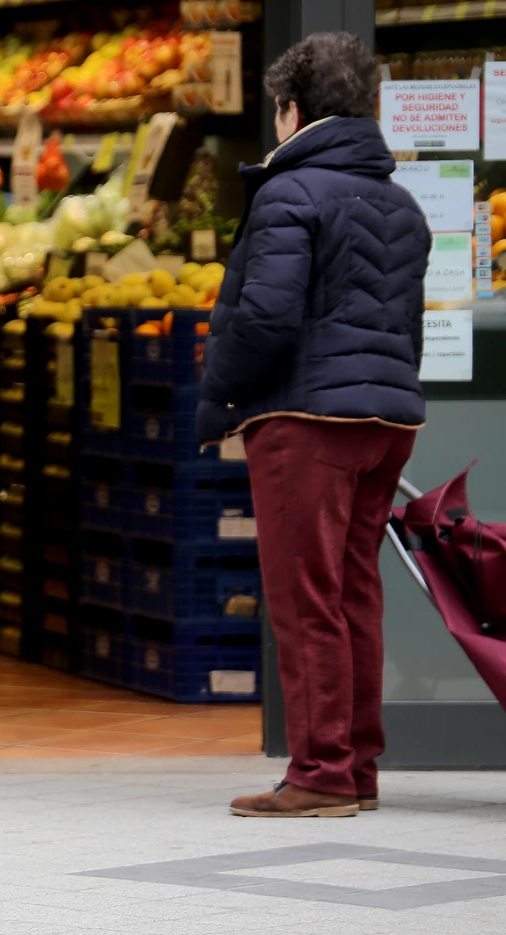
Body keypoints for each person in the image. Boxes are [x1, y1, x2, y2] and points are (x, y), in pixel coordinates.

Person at [197, 33, 431, 818]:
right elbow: (405, 325)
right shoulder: (399, 202)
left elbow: (264, 317)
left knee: (305, 599)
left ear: (292, 111)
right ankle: (357, 766)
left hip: (308, 419)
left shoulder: (289, 193)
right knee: (354, 591)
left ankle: (320, 773)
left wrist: (222, 389)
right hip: (385, 418)